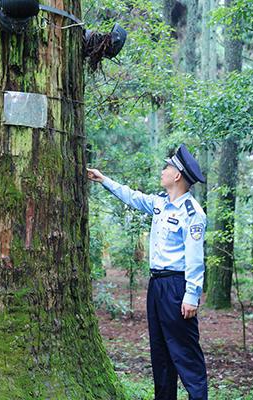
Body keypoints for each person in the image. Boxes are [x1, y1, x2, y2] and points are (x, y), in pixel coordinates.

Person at [87, 144, 208, 400]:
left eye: (167, 167)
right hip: (157, 286)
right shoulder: (160, 204)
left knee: (185, 352)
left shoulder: (192, 213)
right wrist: (104, 179)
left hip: (177, 286)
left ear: (177, 175)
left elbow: (195, 259)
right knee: (160, 351)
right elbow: (132, 196)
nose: (163, 171)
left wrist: (191, 295)